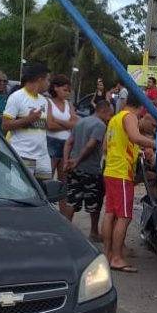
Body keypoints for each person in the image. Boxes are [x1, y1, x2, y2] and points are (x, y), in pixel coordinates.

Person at [103, 94, 156, 273]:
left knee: (110, 214)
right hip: (122, 173)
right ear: (141, 107)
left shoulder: (115, 119)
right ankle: (117, 257)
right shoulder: (129, 116)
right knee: (124, 216)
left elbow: (106, 147)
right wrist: (156, 144)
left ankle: (108, 254)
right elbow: (135, 136)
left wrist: (137, 152)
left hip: (110, 170)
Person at [62, 100, 113, 241]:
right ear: (103, 111)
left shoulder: (80, 122)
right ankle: (94, 232)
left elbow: (69, 142)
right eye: (109, 114)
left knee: (72, 200)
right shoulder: (100, 125)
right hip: (91, 170)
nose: (110, 118)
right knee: (95, 203)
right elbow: (91, 145)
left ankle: (66, 231)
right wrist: (78, 159)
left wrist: (67, 161)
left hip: (74, 168)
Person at [2, 63, 51, 180]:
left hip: (42, 157)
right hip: (23, 155)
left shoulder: (44, 101)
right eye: (48, 80)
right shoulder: (17, 97)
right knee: (21, 191)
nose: (49, 84)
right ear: (40, 80)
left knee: (46, 191)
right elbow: (5, 125)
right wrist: (28, 119)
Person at [46, 74, 78, 178]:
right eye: (65, 90)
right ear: (55, 88)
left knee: (64, 178)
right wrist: (68, 125)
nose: (67, 93)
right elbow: (49, 125)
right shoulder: (48, 102)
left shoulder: (69, 104)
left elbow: (75, 124)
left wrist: (57, 120)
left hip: (67, 143)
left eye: (69, 91)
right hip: (51, 141)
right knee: (48, 176)